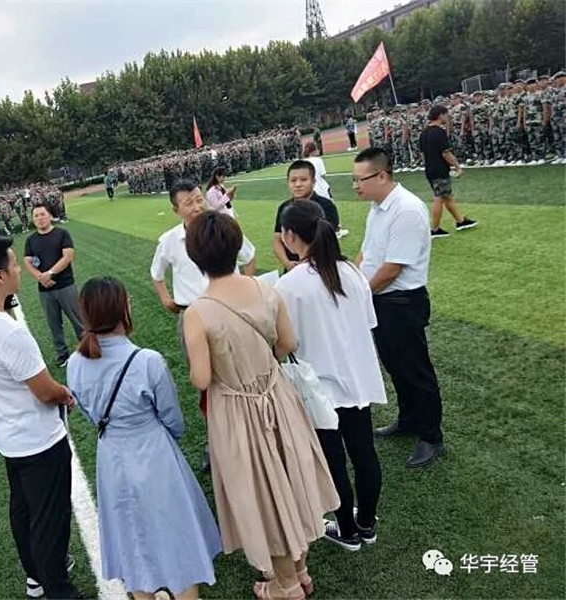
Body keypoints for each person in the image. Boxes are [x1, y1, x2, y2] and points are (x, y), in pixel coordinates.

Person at [182, 211, 338, 600]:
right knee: (290, 477)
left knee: (262, 494)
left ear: (195, 256)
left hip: (237, 409)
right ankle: (299, 571)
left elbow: (201, 378)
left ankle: (286, 585)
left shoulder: (197, 312)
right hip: (277, 395)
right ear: (236, 246)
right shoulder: (267, 289)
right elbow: (288, 343)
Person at [66, 277, 221, 600]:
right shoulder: (147, 360)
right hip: (154, 453)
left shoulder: (76, 363)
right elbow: (172, 417)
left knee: (132, 538)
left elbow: (89, 413)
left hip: (112, 456)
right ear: (123, 309)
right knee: (176, 538)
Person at [0, 237, 80, 600]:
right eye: (13, 266)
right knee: (50, 521)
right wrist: (65, 392)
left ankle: (35, 577)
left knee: (24, 512)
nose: (19, 271)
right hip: (39, 440)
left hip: (8, 438)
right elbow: (44, 390)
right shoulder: (8, 331)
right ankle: (59, 590)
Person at [275, 201, 385, 552]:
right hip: (356, 379)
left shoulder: (290, 285)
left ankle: (348, 530)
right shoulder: (352, 273)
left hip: (318, 386)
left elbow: (285, 341)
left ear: (290, 236)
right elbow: (368, 322)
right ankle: (365, 523)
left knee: (332, 460)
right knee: (364, 453)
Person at [151, 180, 256, 471]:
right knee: (206, 382)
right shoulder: (170, 240)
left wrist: (247, 287)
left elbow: (249, 256)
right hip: (193, 317)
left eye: (199, 199)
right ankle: (217, 443)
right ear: (176, 210)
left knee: (241, 372)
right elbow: (156, 273)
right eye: (189, 203)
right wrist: (166, 299)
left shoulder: (222, 228)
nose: (197, 206)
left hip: (230, 312)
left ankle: (250, 434)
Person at [352, 147, 445, 468]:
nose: (355, 186)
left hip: (401, 303)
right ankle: (408, 419)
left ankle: (431, 435)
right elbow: (366, 254)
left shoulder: (406, 209)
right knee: (395, 365)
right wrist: (352, 283)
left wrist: (360, 295)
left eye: (359, 179)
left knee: (415, 369)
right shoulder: (377, 208)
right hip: (380, 301)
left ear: (381, 176)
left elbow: (393, 268)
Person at [23, 203, 84, 368]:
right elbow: (27, 262)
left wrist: (50, 273)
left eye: (42, 214)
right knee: (54, 324)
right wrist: (40, 277)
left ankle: (88, 349)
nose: (40, 218)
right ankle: (62, 354)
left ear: (49, 215)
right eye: (36, 216)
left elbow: (68, 257)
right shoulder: (31, 240)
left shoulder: (62, 234)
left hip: (65, 285)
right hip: (45, 289)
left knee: (78, 320)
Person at [419, 105, 478, 238]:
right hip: (440, 170)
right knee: (439, 198)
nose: (448, 117)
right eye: (446, 114)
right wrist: (457, 167)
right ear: (440, 115)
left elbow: (422, 154)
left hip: (430, 169)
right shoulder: (440, 132)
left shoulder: (423, 133)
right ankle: (435, 229)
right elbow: (446, 153)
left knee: (447, 196)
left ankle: (461, 221)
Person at [272, 160, 340, 272]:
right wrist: (287, 263)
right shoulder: (284, 207)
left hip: (321, 269)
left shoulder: (326, 206)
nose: (298, 184)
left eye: (303, 180)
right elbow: (277, 239)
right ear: (288, 182)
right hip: (293, 269)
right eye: (293, 180)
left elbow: (327, 240)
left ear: (313, 182)